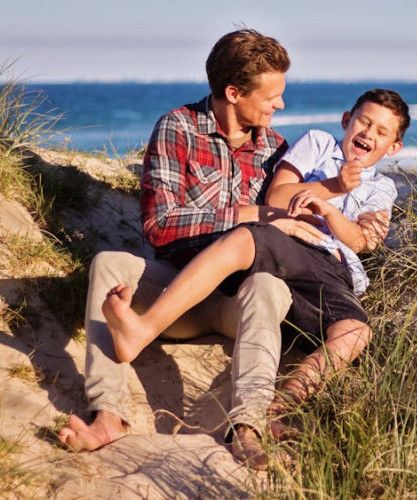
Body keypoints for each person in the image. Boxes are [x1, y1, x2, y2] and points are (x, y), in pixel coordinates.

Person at [57, 29, 390, 470]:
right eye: (272, 96)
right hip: (179, 290)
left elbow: (293, 224)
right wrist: (250, 215)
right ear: (233, 92)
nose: (280, 106)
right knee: (108, 263)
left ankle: (247, 427)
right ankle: (108, 414)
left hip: (238, 302)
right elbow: (160, 226)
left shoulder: (275, 149)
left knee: (267, 287)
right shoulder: (178, 129)